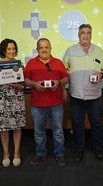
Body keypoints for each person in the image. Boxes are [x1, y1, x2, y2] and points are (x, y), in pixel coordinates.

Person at [62, 24, 103, 162]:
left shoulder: (98, 51)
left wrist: (101, 74)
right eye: (83, 32)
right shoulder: (70, 51)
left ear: (91, 35)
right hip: (76, 95)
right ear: (78, 35)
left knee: (96, 123)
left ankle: (98, 149)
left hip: (94, 95)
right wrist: (63, 88)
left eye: (88, 32)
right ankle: (79, 150)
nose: (85, 35)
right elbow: (63, 71)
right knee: (77, 123)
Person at [24, 38, 69, 167]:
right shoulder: (31, 63)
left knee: (58, 131)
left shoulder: (58, 63)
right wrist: (34, 84)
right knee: (39, 132)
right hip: (37, 104)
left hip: (56, 103)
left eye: (46, 47)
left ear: (50, 48)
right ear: (37, 49)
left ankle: (60, 155)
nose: (44, 50)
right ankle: (40, 153)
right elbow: (25, 80)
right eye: (41, 47)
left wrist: (59, 83)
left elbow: (66, 78)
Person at [0, 38, 26, 167]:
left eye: (13, 49)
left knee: (17, 126)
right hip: (2, 100)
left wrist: (20, 87)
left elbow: (23, 85)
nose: (12, 51)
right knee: (4, 127)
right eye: (9, 49)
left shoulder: (19, 65)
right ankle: (6, 153)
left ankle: (16, 152)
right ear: (3, 50)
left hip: (17, 99)